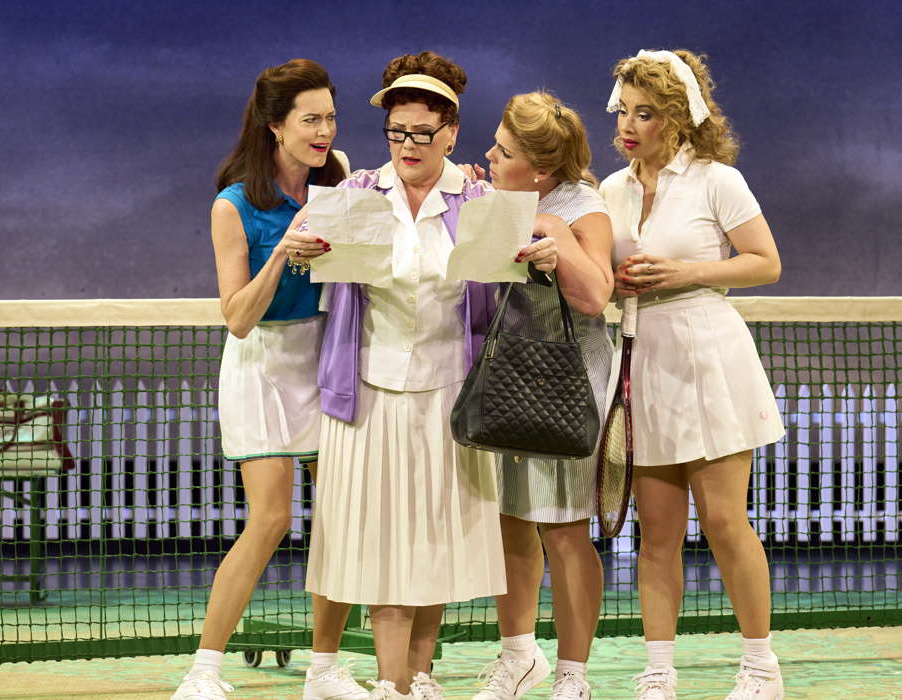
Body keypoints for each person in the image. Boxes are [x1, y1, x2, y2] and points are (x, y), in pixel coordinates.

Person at [294, 52, 556, 700]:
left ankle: (420, 675)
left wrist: (539, 257)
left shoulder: (480, 201)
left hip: (451, 393)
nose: (407, 145)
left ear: (449, 135)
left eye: (421, 133)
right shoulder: (355, 198)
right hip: (371, 394)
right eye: (396, 133)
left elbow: (505, 295)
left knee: (434, 537)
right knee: (384, 543)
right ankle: (391, 683)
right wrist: (300, 249)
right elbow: (323, 278)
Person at [172, 60, 365, 700]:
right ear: (274, 125)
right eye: (311, 119)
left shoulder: (336, 181)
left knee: (339, 518)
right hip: (261, 365)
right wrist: (283, 249)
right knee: (273, 517)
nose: (324, 130)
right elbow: (238, 318)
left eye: (330, 117)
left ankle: (325, 669)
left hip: (324, 357)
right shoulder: (232, 205)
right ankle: (203, 670)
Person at [598, 50, 785, 700]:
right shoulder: (610, 192)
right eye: (624, 110)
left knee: (726, 522)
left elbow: (765, 263)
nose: (628, 125)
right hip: (641, 364)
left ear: (675, 119)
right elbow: (596, 282)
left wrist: (687, 273)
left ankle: (761, 669)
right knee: (658, 534)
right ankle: (658, 675)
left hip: (710, 359)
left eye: (644, 113)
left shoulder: (715, 181)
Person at [469, 93, 613, 700]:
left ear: (542, 170)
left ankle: (573, 676)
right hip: (505, 383)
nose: (489, 155)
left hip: (565, 387)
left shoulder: (580, 208)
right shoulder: (497, 199)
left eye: (503, 151)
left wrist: (553, 233)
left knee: (563, 531)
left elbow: (596, 295)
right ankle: (519, 658)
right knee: (509, 523)